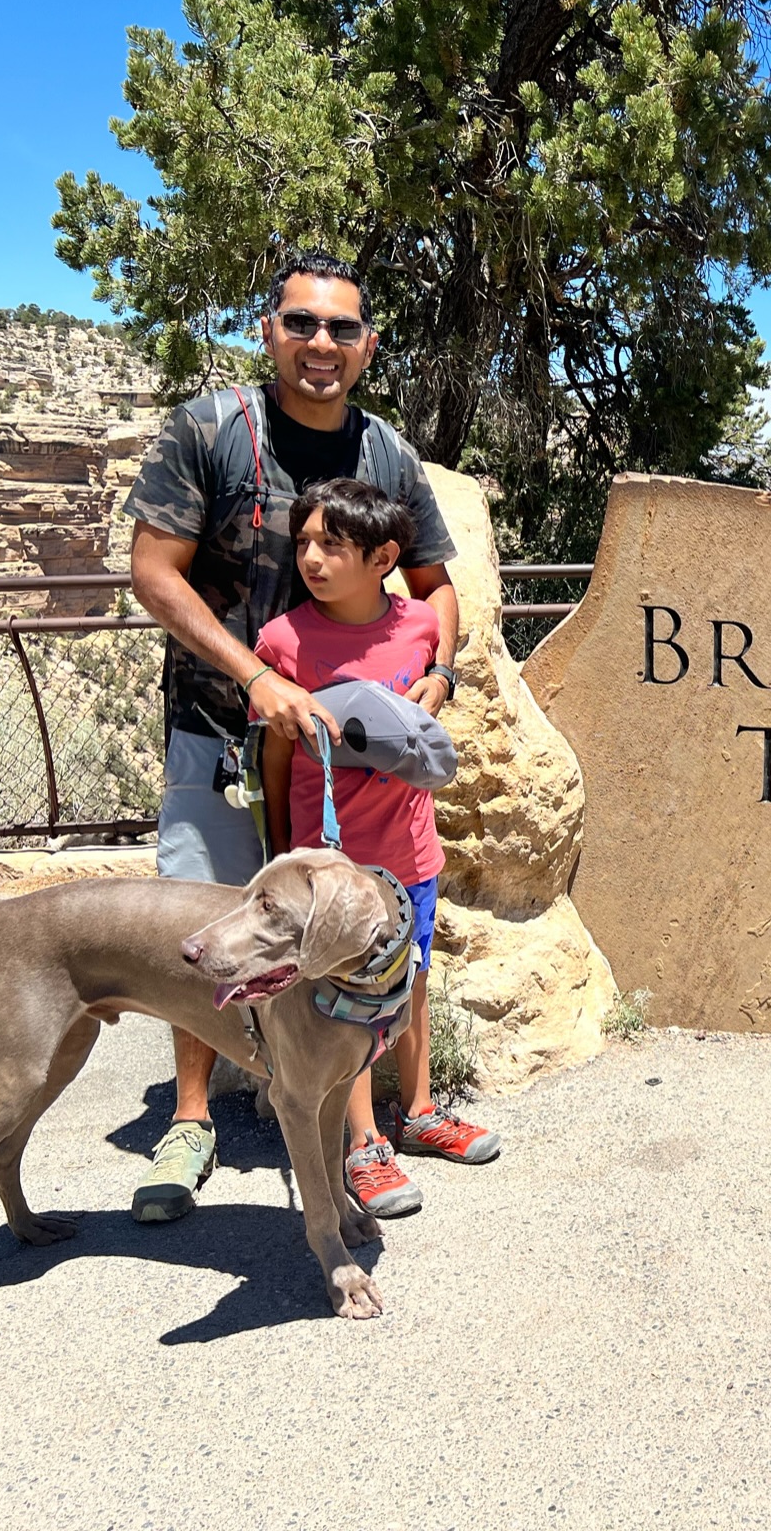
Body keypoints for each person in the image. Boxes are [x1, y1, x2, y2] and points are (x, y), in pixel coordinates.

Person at [124, 249, 461, 1223]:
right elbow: (154, 570)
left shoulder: (385, 454)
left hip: (351, 767)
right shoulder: (211, 430)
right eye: (302, 323)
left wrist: (437, 675)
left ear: (368, 345)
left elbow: (438, 586)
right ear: (268, 329)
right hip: (217, 731)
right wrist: (258, 676)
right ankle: (192, 1118)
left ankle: (365, 1123)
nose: (321, 343)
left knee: (359, 938)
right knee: (210, 919)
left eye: (342, 328)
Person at [255, 478, 500, 1217]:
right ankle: (361, 1143)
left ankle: (419, 1113)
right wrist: (280, 846)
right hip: (334, 868)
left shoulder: (419, 627)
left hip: (411, 851)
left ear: (384, 555)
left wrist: (439, 680)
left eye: (332, 544)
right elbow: (274, 754)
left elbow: (430, 683)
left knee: (412, 978)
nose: (312, 558)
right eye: (303, 543)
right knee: (347, 1001)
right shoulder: (283, 642)